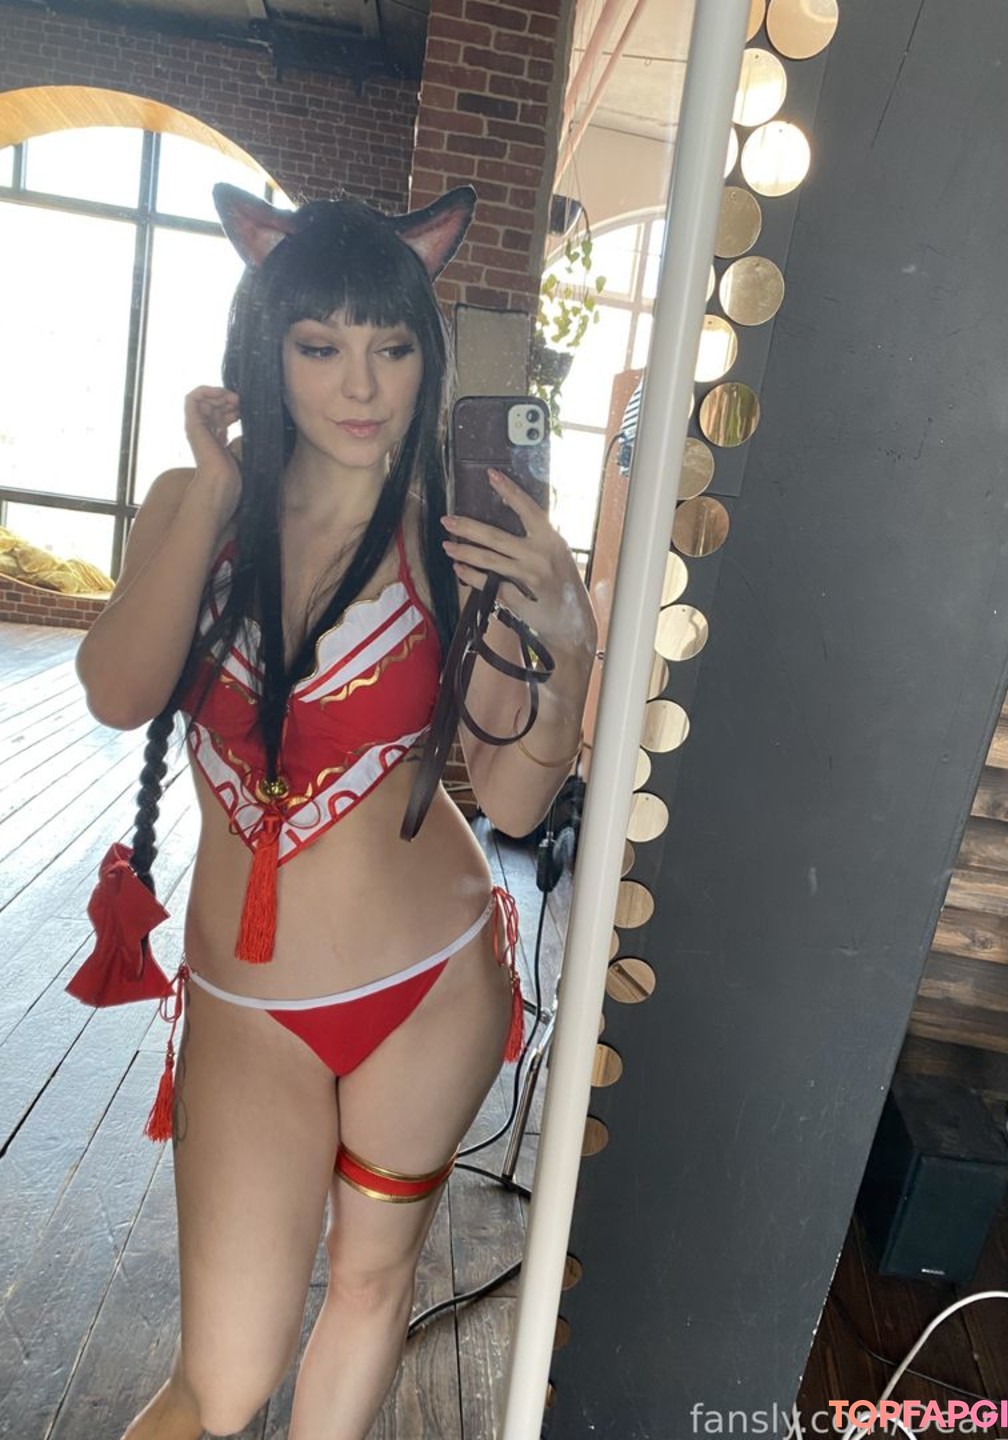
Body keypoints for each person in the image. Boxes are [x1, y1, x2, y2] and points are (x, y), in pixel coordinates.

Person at [74, 181, 597, 1440]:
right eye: (320, 348)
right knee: (220, 1383)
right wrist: (213, 492)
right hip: (247, 1009)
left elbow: (515, 796)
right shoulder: (188, 504)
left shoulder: (458, 548)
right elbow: (117, 691)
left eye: (393, 348)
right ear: (269, 349)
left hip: (429, 987)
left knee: (369, 1288)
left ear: (428, 357)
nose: (361, 387)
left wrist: (568, 647)